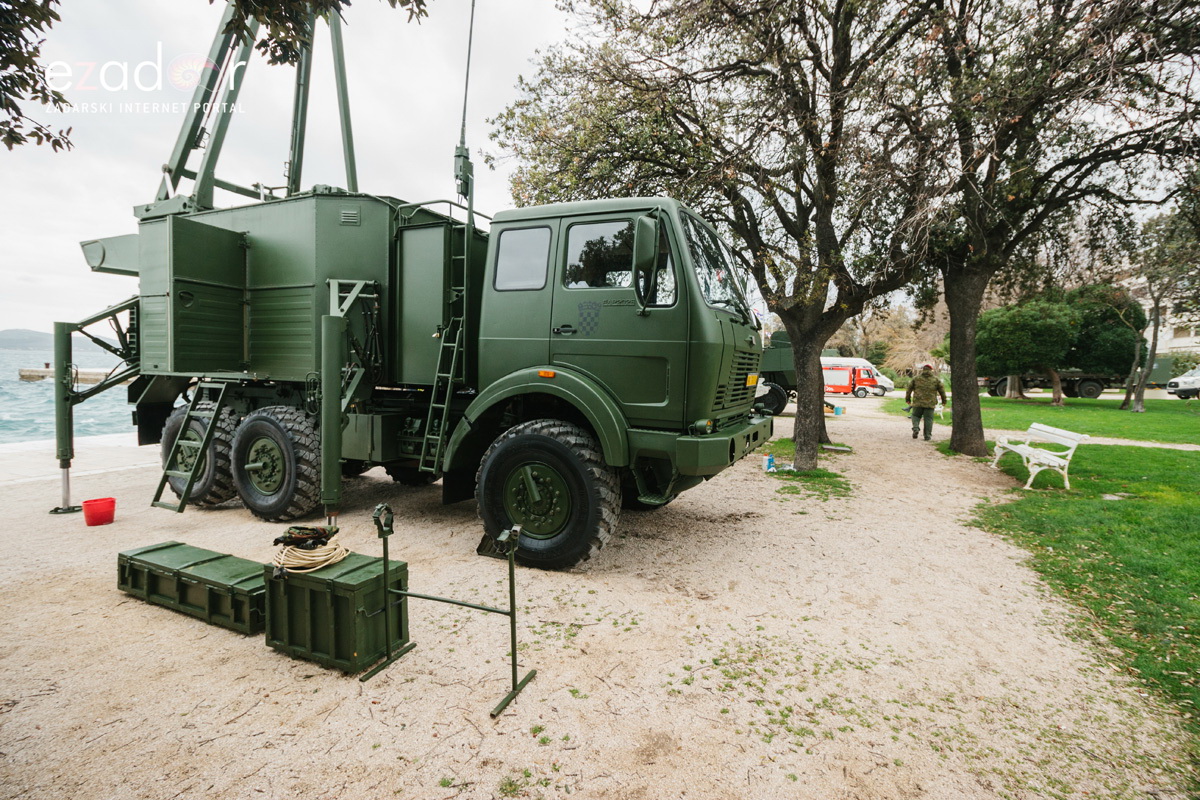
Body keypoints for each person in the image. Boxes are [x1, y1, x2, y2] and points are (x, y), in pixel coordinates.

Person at [906, 364, 947, 441]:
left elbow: (909, 390)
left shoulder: (916, 379)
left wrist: (907, 399)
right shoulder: (936, 380)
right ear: (931, 370)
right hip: (930, 403)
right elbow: (942, 391)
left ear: (923, 370)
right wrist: (944, 401)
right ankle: (927, 436)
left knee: (915, 416)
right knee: (928, 419)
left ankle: (916, 428)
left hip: (917, 402)